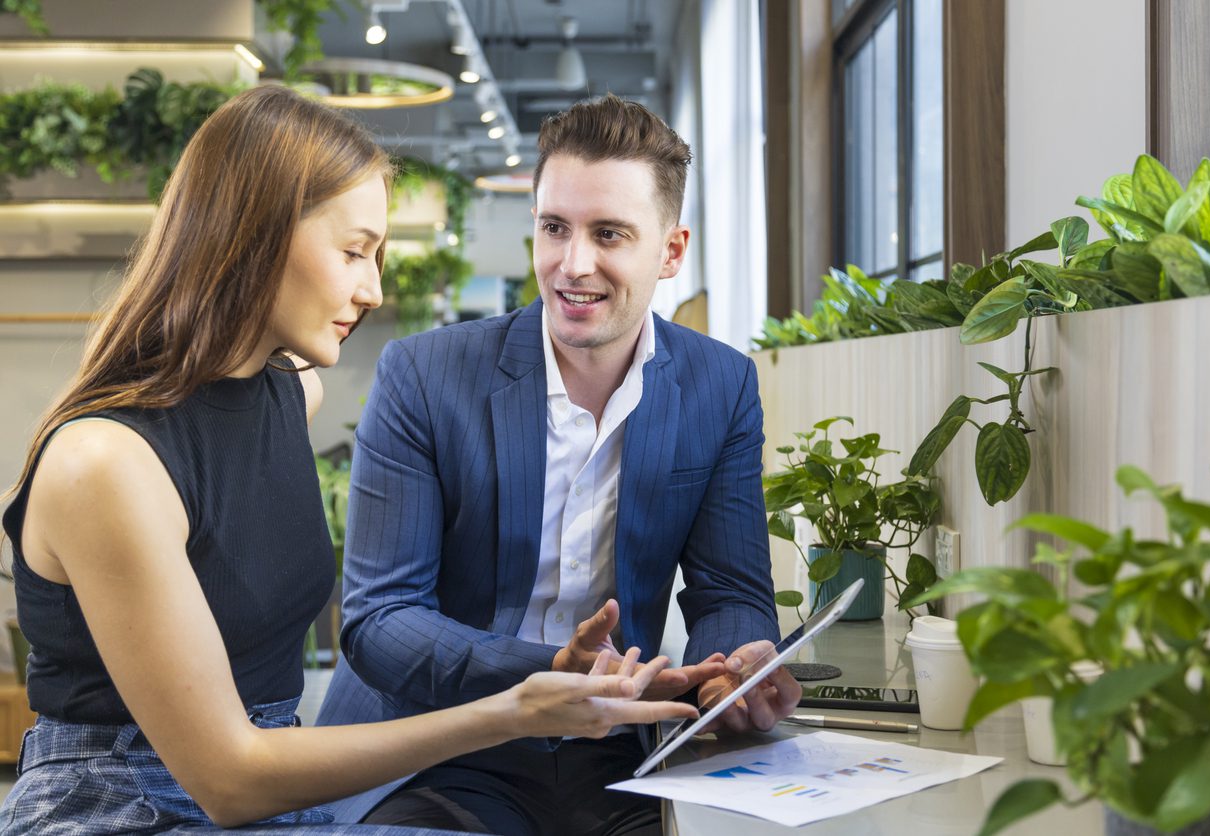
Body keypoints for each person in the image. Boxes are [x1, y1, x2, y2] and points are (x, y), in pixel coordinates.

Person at [0, 85, 698, 836]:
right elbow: (229, 780)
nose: (372, 288)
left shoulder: (292, 392)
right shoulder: (105, 464)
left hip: (274, 794)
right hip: (123, 807)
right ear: (254, 235)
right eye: (355, 251)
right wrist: (509, 713)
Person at [317, 94, 801, 835]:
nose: (574, 265)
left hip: (615, 748)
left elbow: (730, 590)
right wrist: (550, 671)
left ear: (671, 251)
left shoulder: (720, 385)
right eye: (554, 228)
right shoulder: (423, 374)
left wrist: (734, 669)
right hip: (439, 744)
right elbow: (379, 622)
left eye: (609, 233)